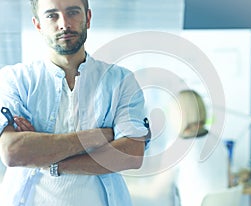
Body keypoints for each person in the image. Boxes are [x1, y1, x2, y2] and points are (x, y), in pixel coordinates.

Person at [0, 0, 150, 205]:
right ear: (38, 25)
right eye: (52, 15)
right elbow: (12, 152)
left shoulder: (120, 81)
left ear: (88, 18)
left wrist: (47, 160)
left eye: (72, 12)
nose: (64, 23)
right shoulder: (15, 80)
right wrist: (96, 138)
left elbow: (131, 155)